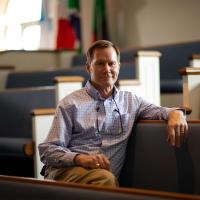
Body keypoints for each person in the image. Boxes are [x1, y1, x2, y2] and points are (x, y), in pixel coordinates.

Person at [38, 40, 188, 187]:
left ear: (119, 66)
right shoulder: (70, 103)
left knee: (105, 178)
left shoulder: (131, 101)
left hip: (103, 177)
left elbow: (160, 111)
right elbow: (47, 150)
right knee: (104, 179)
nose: (107, 69)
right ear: (88, 67)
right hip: (65, 171)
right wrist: (80, 159)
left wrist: (176, 114)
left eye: (111, 63)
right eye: (100, 63)